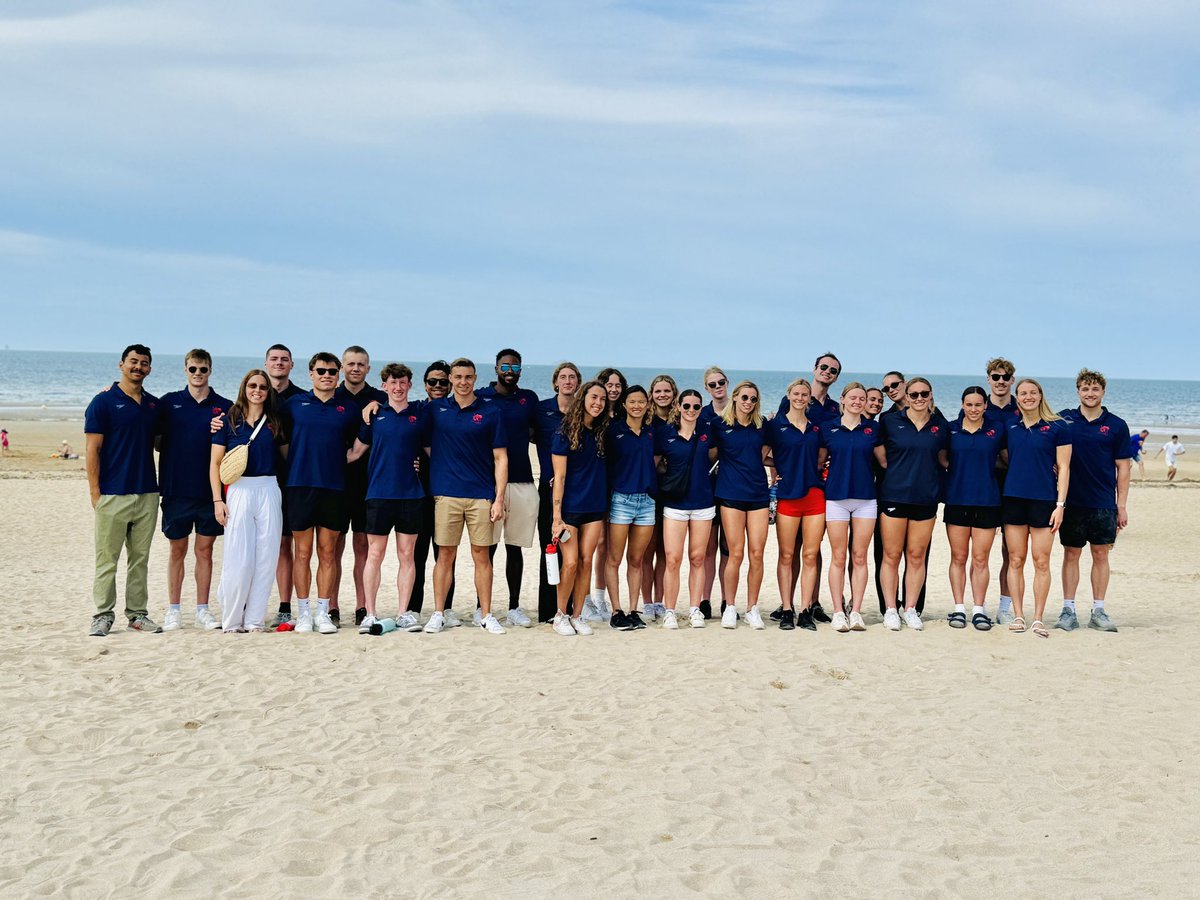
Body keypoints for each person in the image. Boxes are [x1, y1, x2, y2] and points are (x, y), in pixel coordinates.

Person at [422, 358, 508, 635]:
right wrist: (372, 405)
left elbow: (501, 458)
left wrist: (499, 499)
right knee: (445, 555)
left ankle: (486, 614)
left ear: (475, 378)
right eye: (458, 377)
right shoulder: (436, 409)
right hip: (446, 494)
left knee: (482, 555)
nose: (463, 382)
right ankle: (439, 613)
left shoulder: (490, 411)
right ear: (450, 379)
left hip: (481, 495)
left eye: (468, 377)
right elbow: (408, 422)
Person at [279, 352, 362, 634]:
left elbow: (366, 435)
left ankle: (323, 612)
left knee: (328, 553)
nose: (326, 376)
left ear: (338, 375)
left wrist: (351, 456)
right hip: (299, 487)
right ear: (311, 373)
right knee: (302, 553)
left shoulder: (349, 408)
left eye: (331, 372)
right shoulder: (294, 404)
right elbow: (279, 438)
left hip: (334, 488)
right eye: (321, 371)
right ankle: (304, 613)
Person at [84, 344, 163, 635]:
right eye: (133, 361)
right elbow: (92, 449)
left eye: (144, 363)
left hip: (147, 492)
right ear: (121, 364)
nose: (138, 367)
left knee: (140, 560)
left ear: (149, 369)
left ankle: (137, 615)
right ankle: (103, 615)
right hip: (112, 493)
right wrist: (95, 493)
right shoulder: (103, 402)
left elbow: (163, 442)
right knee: (107, 560)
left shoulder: (154, 406)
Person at [346, 363, 428, 633]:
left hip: (411, 495)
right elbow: (355, 453)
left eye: (403, 382)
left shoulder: (419, 414)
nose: (398, 387)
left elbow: (434, 451)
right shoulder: (374, 414)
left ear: (410, 385)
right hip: (379, 495)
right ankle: (370, 613)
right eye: (393, 382)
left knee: (407, 555)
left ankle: (403, 613)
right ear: (384, 386)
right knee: (375, 554)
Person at [156, 349, 231, 631]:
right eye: (193, 369)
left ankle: (202, 610)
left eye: (203, 369)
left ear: (210, 370)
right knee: (177, 550)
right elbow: (149, 430)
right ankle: (174, 610)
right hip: (175, 489)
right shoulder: (168, 403)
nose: (198, 374)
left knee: (205, 551)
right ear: (185, 369)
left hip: (210, 492)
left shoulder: (225, 407)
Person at [1054, 369, 1131, 633]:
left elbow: (1124, 468)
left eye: (1095, 389)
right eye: (1085, 389)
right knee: (1071, 554)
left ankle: (1098, 610)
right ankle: (1068, 610)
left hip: (1103, 502)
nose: (1090, 393)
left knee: (1100, 554)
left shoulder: (1117, 425)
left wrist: (1121, 505)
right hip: (1071, 501)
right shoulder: (1064, 420)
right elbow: (1046, 449)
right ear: (1078, 391)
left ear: (1103, 392)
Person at [210, 370, 285, 632]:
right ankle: (232, 620)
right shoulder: (228, 420)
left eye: (263, 387)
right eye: (252, 385)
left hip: (269, 488)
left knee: (266, 557)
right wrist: (218, 500)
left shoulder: (275, 422)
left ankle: (254, 620)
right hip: (239, 490)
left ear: (268, 392)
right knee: (238, 558)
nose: (257, 391)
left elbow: (287, 456)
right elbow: (215, 463)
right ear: (244, 388)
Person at [874, 377, 949, 632]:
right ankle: (890, 609)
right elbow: (881, 457)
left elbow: (944, 459)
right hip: (894, 495)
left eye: (924, 394)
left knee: (917, 556)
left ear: (930, 395)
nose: (919, 398)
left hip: (926, 498)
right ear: (906, 396)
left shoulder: (940, 425)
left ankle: (910, 608)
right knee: (891, 555)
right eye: (914, 394)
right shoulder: (889, 421)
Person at [1002, 378, 1072, 638]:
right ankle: (1019, 615)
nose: (1028, 397)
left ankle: (1038, 619)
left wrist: (1060, 505)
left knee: (1041, 561)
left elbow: (1064, 467)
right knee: (1015, 560)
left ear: (1041, 395)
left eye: (1033, 392)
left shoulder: (1058, 427)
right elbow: (1003, 456)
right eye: (1023, 393)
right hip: (1013, 498)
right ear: (1017, 398)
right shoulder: (1010, 425)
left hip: (1044, 501)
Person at [477, 349, 540, 628]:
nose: (510, 371)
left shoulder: (529, 399)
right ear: (496, 369)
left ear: (520, 370)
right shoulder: (481, 397)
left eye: (515, 367)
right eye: (505, 366)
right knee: (486, 549)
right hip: (488, 484)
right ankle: (482, 607)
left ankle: (514, 607)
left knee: (515, 549)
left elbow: (542, 430)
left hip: (522, 481)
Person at [330, 345, 387, 627]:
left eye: (361, 364)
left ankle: (362, 606)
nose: (355, 368)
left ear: (368, 368)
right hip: (335, 482)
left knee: (363, 546)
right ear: (342, 367)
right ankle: (331, 606)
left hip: (369, 482)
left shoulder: (381, 399)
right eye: (350, 364)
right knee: (333, 548)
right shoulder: (331, 395)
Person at [763, 378, 825, 631]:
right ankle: (787, 609)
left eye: (804, 394)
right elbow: (761, 456)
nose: (800, 398)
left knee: (810, 555)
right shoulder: (775, 426)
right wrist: (780, 468)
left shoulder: (816, 428)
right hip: (788, 496)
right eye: (796, 393)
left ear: (809, 398)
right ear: (788, 395)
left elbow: (822, 459)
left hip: (814, 496)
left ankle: (805, 610)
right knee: (787, 555)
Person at [550, 381, 611, 636]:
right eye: (593, 397)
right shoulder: (564, 432)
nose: (598, 403)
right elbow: (559, 477)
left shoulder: (603, 432)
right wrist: (556, 517)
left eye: (602, 399)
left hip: (595, 506)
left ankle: (577, 615)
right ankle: (560, 615)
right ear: (583, 398)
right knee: (571, 563)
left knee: (587, 561)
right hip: (570, 508)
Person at [817, 382, 879, 632]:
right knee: (839, 556)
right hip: (836, 498)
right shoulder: (828, 427)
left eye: (862, 398)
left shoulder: (873, 428)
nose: (857, 402)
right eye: (852, 397)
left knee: (860, 556)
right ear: (842, 399)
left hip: (866, 499)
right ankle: (837, 611)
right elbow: (819, 462)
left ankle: (856, 612)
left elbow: (884, 461)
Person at [943, 387, 1006, 631]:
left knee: (980, 558)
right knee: (958, 557)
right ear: (962, 405)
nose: (973, 409)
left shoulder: (996, 429)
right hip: (957, 499)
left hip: (987, 501)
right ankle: (959, 608)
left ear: (985, 405)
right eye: (969, 404)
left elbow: (1007, 458)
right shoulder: (951, 429)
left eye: (978, 404)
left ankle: (979, 609)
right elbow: (941, 458)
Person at [710, 380, 770, 630]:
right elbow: (709, 456)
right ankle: (730, 606)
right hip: (730, 494)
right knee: (735, 553)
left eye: (753, 399)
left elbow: (766, 454)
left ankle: (752, 608)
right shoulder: (719, 425)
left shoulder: (763, 426)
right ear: (735, 397)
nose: (748, 402)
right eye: (744, 397)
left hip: (758, 495)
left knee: (757, 553)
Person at [655, 388, 715, 629]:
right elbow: (656, 465)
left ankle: (694, 609)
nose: (691, 410)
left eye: (696, 406)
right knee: (673, 559)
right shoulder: (666, 434)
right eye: (687, 405)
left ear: (701, 408)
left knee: (698, 558)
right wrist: (672, 478)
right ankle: (669, 610)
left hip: (703, 502)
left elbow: (715, 457)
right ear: (678, 407)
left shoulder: (707, 432)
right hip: (675, 504)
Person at [604, 385, 658, 631]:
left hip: (647, 502)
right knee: (614, 558)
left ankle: (634, 610)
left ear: (647, 404)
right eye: (632, 401)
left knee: (636, 559)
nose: (637, 406)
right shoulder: (613, 430)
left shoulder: (651, 432)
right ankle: (616, 611)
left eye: (641, 401)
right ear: (624, 404)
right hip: (621, 501)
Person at [408, 361, 458, 621]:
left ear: (451, 384)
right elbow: (390, 410)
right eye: (432, 381)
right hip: (418, 493)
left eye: (443, 382)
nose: (438, 386)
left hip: (448, 490)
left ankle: (446, 608)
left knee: (446, 554)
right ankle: (413, 609)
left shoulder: (455, 411)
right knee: (417, 554)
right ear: (425, 384)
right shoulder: (416, 409)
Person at [534, 362, 582, 623]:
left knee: (572, 553)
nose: (567, 381)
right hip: (548, 487)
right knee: (550, 547)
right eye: (563, 377)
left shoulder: (582, 411)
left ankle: (571, 608)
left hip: (576, 489)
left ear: (578, 382)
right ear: (555, 382)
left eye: (572, 377)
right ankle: (547, 611)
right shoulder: (541, 410)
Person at [263, 343, 306, 631]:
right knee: (258, 545)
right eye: (274, 359)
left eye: (284, 359)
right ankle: (249, 603)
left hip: (293, 481)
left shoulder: (301, 399)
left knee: (286, 544)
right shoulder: (255, 394)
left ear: (292, 365)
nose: (279, 363)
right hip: (258, 480)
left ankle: (284, 606)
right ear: (266, 363)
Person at [984, 357, 1021, 625]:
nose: (1000, 381)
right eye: (995, 377)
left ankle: (1005, 607)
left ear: (1012, 380)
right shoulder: (977, 405)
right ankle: (978, 605)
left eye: (1005, 377)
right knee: (979, 553)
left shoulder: (1021, 408)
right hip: (983, 485)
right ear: (988, 379)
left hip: (1014, 486)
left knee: (1011, 552)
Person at [589, 367, 628, 614]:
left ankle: (601, 596)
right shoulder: (594, 414)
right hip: (597, 483)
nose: (613, 389)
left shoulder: (625, 414)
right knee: (598, 543)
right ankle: (589, 598)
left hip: (620, 484)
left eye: (617, 385)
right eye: (609, 385)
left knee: (610, 547)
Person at [640, 374, 679, 619]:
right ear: (651, 394)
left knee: (666, 552)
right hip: (649, 492)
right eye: (658, 391)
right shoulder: (646, 421)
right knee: (647, 551)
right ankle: (646, 602)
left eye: (667, 391)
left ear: (674, 394)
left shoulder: (680, 420)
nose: (662, 395)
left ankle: (659, 601)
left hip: (674, 493)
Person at [698, 365, 730, 619]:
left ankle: (727, 600)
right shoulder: (702, 415)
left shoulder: (739, 409)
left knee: (728, 549)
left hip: (732, 488)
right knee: (708, 550)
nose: (717, 387)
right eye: (712, 384)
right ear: (706, 388)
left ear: (727, 383)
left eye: (721, 382)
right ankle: (704, 600)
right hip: (707, 489)